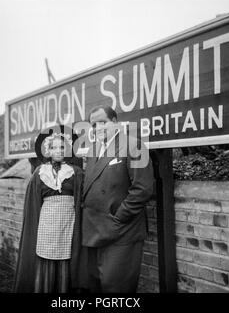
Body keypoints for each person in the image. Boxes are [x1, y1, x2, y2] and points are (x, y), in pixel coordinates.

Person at [82, 105, 154, 293]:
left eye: (103, 123)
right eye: (94, 125)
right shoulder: (93, 150)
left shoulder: (134, 144)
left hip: (122, 231)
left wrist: (119, 217)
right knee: (96, 286)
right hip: (94, 230)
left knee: (117, 288)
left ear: (115, 122)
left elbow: (143, 189)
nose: (98, 128)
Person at [13, 125, 86, 293]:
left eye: (62, 147)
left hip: (68, 222)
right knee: (46, 256)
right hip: (47, 223)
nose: (59, 151)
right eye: (54, 147)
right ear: (48, 150)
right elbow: (32, 203)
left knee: (66, 257)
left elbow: (83, 199)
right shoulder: (39, 173)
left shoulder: (76, 173)